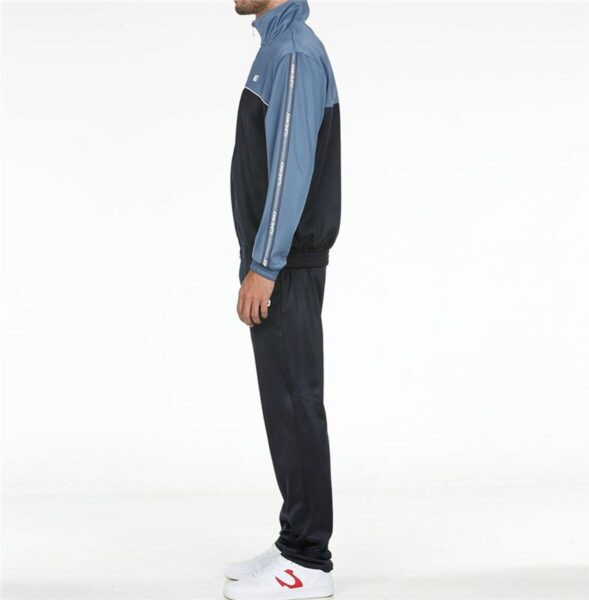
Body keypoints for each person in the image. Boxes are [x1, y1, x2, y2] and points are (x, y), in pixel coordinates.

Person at [225, 0, 341, 597]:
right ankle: (293, 538)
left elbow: (291, 169)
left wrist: (264, 266)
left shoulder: (293, 54)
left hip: (286, 264)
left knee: (297, 404)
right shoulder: (276, 48)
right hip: (278, 260)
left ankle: (309, 561)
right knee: (285, 405)